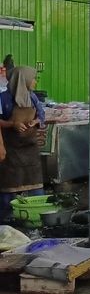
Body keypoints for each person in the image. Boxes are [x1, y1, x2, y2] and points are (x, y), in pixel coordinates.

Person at [0, 67, 45, 222]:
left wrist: (36, 121)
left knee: (36, 186)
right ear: (22, 80)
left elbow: (41, 114)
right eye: (33, 78)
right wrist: (12, 124)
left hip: (30, 149)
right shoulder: (3, 98)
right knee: (9, 188)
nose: (35, 82)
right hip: (11, 149)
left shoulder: (32, 97)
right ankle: (6, 221)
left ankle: (37, 217)